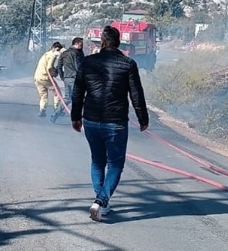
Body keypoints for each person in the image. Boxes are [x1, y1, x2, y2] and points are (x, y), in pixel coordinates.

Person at [70, 25, 149, 222]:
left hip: (91, 120)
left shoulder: (87, 62)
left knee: (97, 161)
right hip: (116, 122)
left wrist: (75, 117)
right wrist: (143, 119)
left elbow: (78, 91)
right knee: (115, 164)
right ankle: (101, 201)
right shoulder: (128, 64)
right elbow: (136, 95)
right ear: (119, 42)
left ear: (102, 42)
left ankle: (101, 201)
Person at [51, 37, 84, 123]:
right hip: (75, 80)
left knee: (67, 99)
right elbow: (79, 67)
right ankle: (81, 120)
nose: (82, 46)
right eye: (81, 45)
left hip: (67, 79)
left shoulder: (64, 53)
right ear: (76, 44)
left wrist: (63, 77)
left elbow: (58, 67)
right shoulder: (78, 53)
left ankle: (55, 114)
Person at [33, 42, 63, 117]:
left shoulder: (46, 54)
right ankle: (57, 110)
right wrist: (54, 73)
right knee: (57, 92)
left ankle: (42, 110)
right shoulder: (52, 55)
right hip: (45, 77)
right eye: (57, 49)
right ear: (53, 48)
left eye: (59, 50)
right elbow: (49, 67)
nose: (58, 51)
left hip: (37, 77)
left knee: (43, 95)